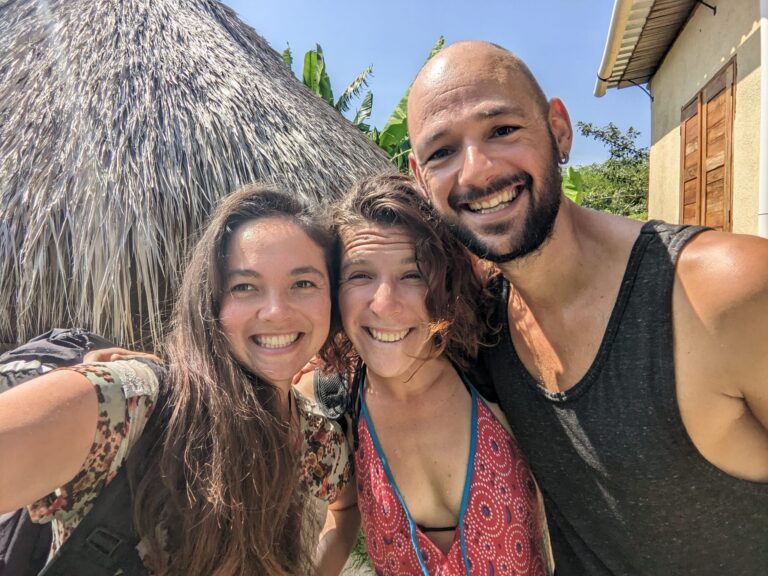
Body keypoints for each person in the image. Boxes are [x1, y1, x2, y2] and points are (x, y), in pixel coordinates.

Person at [405, 40, 768, 574]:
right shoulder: (482, 321)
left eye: (502, 129)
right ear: (420, 178)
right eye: (442, 152)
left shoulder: (725, 291)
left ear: (559, 130)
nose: (476, 171)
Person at [0, 184, 355, 575]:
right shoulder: (128, 404)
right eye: (244, 287)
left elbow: (346, 507)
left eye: (303, 283)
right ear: (211, 302)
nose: (275, 311)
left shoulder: (317, 440)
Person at [304, 173, 551, 575]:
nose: (384, 304)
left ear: (445, 281)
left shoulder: (497, 367)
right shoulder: (334, 400)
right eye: (361, 275)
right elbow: (342, 509)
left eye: (413, 274)